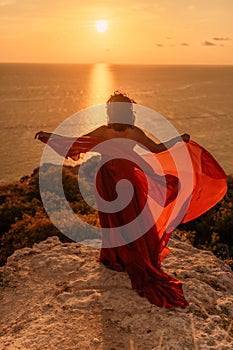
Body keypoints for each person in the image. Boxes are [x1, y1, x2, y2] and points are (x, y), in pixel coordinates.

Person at [35, 90, 227, 309]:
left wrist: (49, 137)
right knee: (133, 218)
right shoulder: (135, 133)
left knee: (115, 219)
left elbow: (76, 143)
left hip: (108, 178)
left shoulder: (105, 131)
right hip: (126, 179)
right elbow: (158, 149)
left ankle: (117, 258)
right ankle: (132, 256)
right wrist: (178, 140)